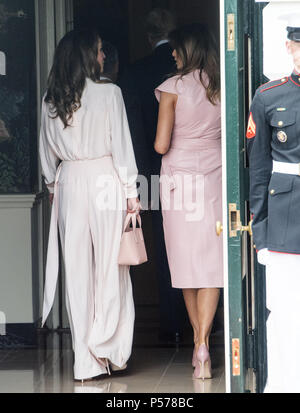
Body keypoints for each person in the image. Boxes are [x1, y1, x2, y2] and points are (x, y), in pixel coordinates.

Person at [39, 29, 141, 382]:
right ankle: (108, 347)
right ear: (86, 55)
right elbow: (122, 145)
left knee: (77, 274)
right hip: (105, 179)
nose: (102, 57)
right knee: (112, 268)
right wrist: (132, 192)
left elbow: (46, 155)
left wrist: (54, 184)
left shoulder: (50, 100)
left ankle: (86, 360)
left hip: (69, 183)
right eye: (99, 51)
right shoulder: (109, 93)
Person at [154, 23, 223, 379]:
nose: (173, 53)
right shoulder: (221, 86)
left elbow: (162, 144)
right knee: (212, 263)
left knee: (186, 267)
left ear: (187, 50)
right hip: (213, 177)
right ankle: (203, 346)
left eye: (177, 48)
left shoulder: (172, 88)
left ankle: (199, 344)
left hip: (179, 182)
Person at [119, 8, 186, 344]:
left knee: (163, 248)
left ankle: (171, 322)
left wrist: (139, 178)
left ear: (148, 36)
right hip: (192, 170)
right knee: (197, 243)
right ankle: (205, 320)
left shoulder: (132, 74)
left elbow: (130, 131)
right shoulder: (186, 69)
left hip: (150, 173)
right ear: (174, 35)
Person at [247, 14, 300, 393]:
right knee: (284, 312)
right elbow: (260, 168)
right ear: (288, 48)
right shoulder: (269, 97)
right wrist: (259, 227)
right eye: (298, 46)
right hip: (285, 216)